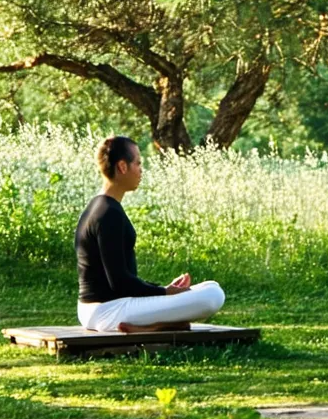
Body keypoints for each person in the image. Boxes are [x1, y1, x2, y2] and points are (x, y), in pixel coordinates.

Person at [76, 135, 225, 333]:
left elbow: (122, 279)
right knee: (213, 294)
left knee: (210, 285)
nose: (141, 170)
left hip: (103, 308)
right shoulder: (108, 214)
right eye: (138, 163)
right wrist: (164, 292)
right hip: (106, 311)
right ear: (122, 166)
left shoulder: (99, 205)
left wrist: (164, 290)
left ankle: (160, 325)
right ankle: (153, 327)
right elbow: (120, 283)